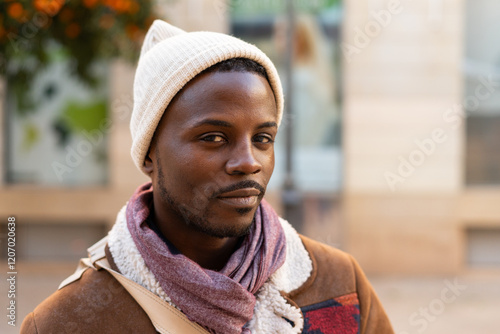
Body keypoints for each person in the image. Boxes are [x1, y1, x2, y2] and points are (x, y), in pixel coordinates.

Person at [21, 20, 394, 334]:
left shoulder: (340, 284)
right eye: (213, 138)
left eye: (263, 138)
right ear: (150, 153)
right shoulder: (69, 320)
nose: (248, 162)